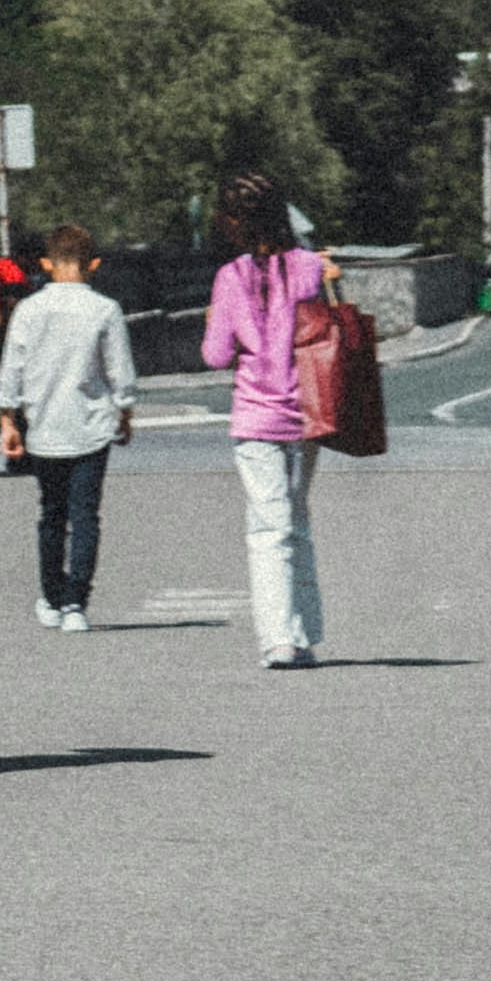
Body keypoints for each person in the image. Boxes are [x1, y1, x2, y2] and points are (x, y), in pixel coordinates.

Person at [202, 169, 333, 668]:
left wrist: (218, 324)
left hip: (256, 417)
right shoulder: (309, 269)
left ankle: (278, 637)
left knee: (267, 529)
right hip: (305, 414)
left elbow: (215, 356)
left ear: (234, 222)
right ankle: (303, 634)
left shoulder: (230, 277)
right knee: (297, 522)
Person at [0, 225, 131, 632]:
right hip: (90, 425)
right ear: (94, 265)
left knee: (51, 513)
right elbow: (119, 369)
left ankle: (51, 596)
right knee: (86, 514)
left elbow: (12, 367)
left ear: (46, 264)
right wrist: (124, 412)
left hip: (44, 426)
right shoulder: (105, 309)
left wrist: (7, 418)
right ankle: (76, 603)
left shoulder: (29, 310)